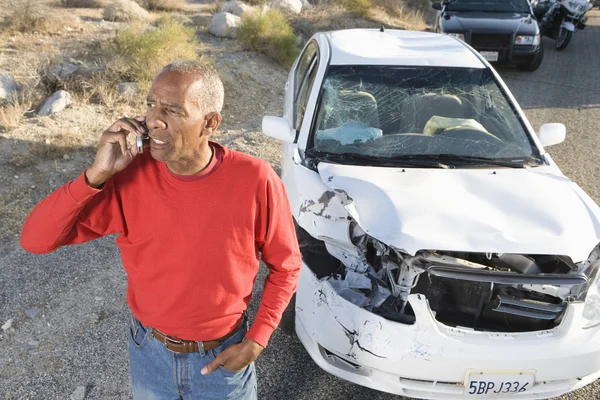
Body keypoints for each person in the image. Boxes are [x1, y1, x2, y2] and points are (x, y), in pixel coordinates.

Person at [20, 59, 302, 399]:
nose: (153, 120)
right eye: (151, 104)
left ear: (210, 123)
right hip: (148, 355)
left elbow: (286, 266)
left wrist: (257, 339)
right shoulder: (128, 177)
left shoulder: (256, 180)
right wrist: (95, 174)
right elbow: (35, 240)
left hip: (222, 362)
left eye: (172, 110)